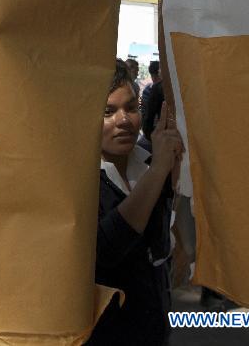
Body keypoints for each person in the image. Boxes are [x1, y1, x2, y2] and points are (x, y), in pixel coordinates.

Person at [88, 60, 183, 345]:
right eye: (108, 111)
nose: (124, 120)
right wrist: (157, 172)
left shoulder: (149, 163)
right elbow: (105, 250)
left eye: (131, 108)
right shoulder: (78, 181)